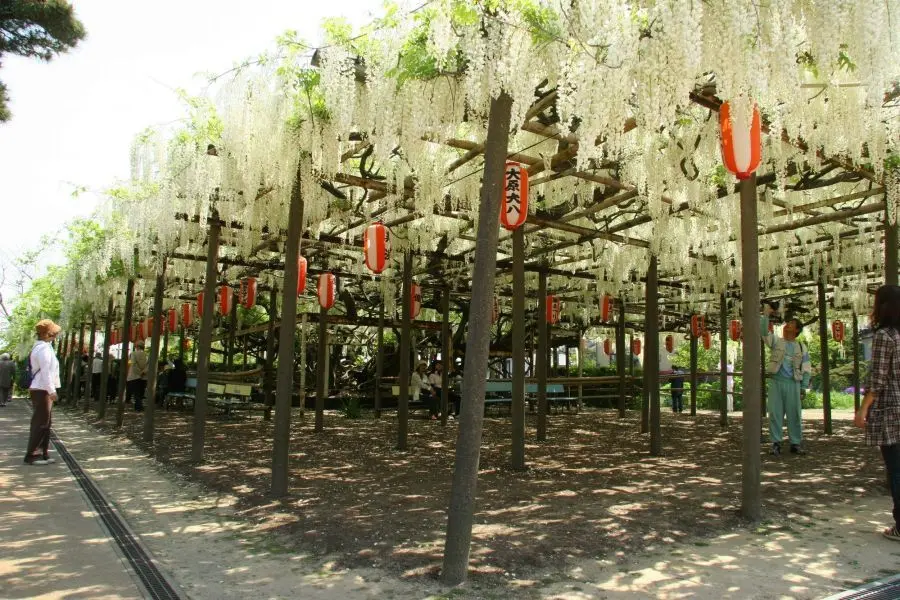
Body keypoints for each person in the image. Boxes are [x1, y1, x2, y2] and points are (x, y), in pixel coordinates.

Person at [855, 285, 900, 541]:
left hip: (893, 410)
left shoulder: (885, 335)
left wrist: (863, 409)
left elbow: (879, 379)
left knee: (896, 468)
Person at [762, 303, 812, 456]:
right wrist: (766, 315)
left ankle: (795, 443)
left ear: (796, 330)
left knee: (794, 414)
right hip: (776, 382)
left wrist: (803, 387)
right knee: (775, 413)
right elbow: (763, 332)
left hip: (793, 383)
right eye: (787, 323)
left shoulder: (801, 347)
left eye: (791, 324)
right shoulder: (777, 341)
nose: (787, 325)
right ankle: (775, 443)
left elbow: (806, 368)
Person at [24, 319, 61, 465]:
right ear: (47, 334)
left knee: (45, 422)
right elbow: (46, 372)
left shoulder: (45, 347)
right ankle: (32, 455)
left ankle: (43, 453)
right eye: (54, 333)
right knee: (40, 422)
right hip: (42, 388)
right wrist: (52, 391)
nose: (56, 335)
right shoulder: (43, 349)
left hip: (42, 387)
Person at [126, 341, 149, 411]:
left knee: (136, 393)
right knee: (141, 392)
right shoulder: (147, 355)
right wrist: (143, 372)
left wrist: (139, 373)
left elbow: (133, 364)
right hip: (144, 376)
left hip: (134, 375)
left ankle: (139, 407)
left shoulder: (133, 353)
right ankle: (138, 406)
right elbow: (148, 365)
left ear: (137, 347)